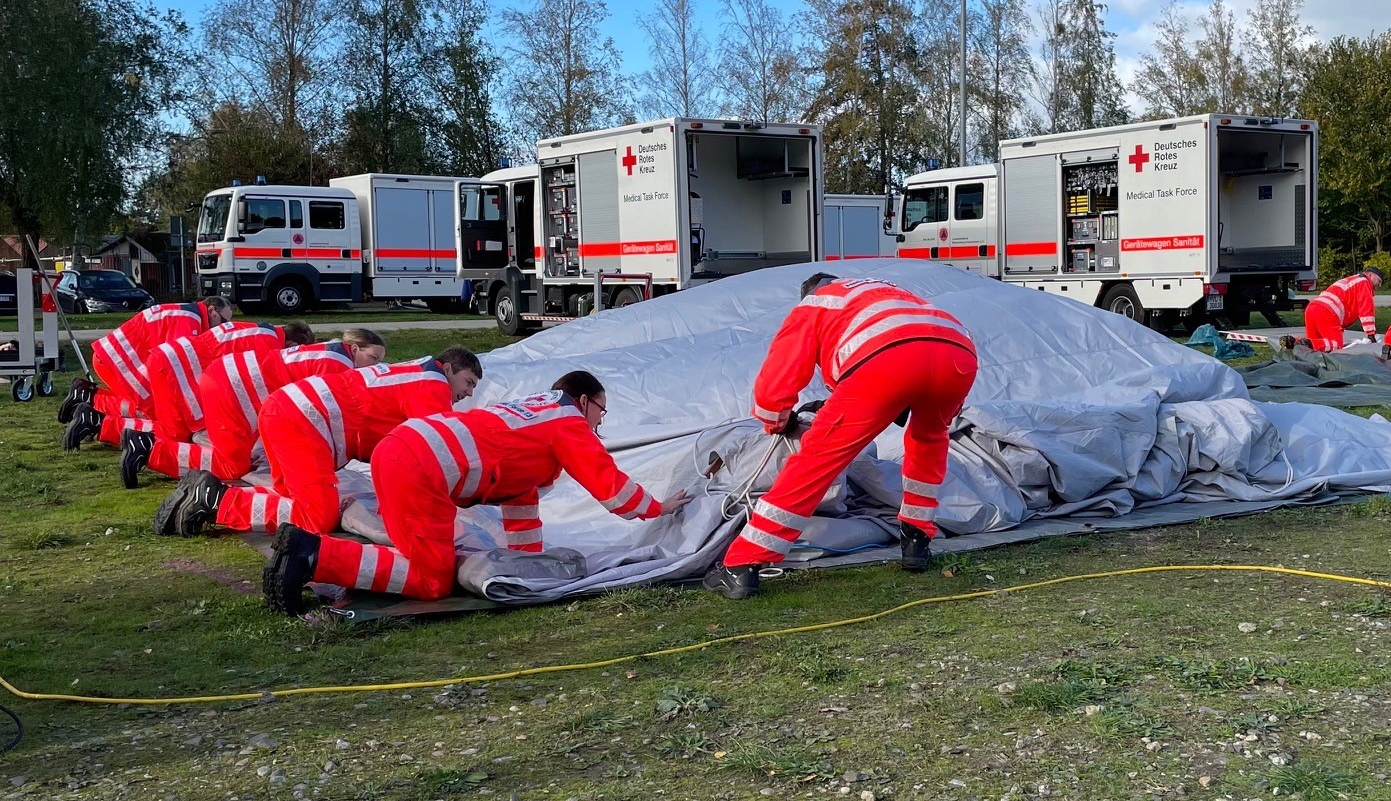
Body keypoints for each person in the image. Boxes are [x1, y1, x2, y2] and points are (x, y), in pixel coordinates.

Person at [261, 371, 689, 612]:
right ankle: (314, 555)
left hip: (402, 452)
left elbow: (521, 503)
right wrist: (658, 507)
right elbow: (608, 484)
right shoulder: (567, 423)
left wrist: (526, 566)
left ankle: (309, 552)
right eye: (601, 410)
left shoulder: (532, 418)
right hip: (420, 468)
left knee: (420, 554)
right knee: (431, 580)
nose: (601, 423)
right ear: (582, 402)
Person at [703, 273, 979, 600]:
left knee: (816, 460)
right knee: (929, 442)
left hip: (887, 358)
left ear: (807, 295)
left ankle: (741, 564)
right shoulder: (881, 291)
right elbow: (910, 344)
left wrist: (776, 421)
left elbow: (778, 377)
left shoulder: (816, 303)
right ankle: (917, 541)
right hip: (957, 351)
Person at [161, 347, 482, 539]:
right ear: (449, 368)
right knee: (319, 515)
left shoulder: (415, 373)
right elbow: (435, 448)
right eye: (468, 382)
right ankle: (216, 501)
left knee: (290, 497)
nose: (468, 393)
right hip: (304, 421)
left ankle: (204, 490)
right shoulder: (432, 384)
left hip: (287, 409)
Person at [151, 328, 388, 534]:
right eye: (373, 358)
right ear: (355, 348)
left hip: (234, 384)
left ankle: (170, 464)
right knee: (233, 465)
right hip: (234, 391)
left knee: (284, 484)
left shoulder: (333, 354)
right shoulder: (338, 366)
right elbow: (321, 411)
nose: (374, 366)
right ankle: (155, 454)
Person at [118, 320, 317, 489]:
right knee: (227, 461)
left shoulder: (262, 331)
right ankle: (149, 449)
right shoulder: (269, 344)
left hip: (173, 361)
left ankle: (123, 433)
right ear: (292, 343)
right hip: (186, 371)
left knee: (176, 431)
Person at [60, 297, 233, 446]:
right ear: (211, 310)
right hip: (120, 361)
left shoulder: (188, 314)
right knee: (156, 414)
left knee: (154, 408)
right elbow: (179, 364)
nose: (223, 327)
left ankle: (90, 399)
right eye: (223, 321)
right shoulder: (190, 321)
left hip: (115, 358)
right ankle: (95, 409)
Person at [1287, 267, 1383, 354]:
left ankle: (1292, 341)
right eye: (1379, 281)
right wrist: (1371, 334)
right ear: (1370, 275)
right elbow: (1366, 310)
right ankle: (1304, 343)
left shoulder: (1351, 280)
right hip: (1327, 312)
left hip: (1312, 308)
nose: (1380, 285)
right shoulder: (1364, 283)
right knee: (1336, 344)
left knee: (1316, 342)